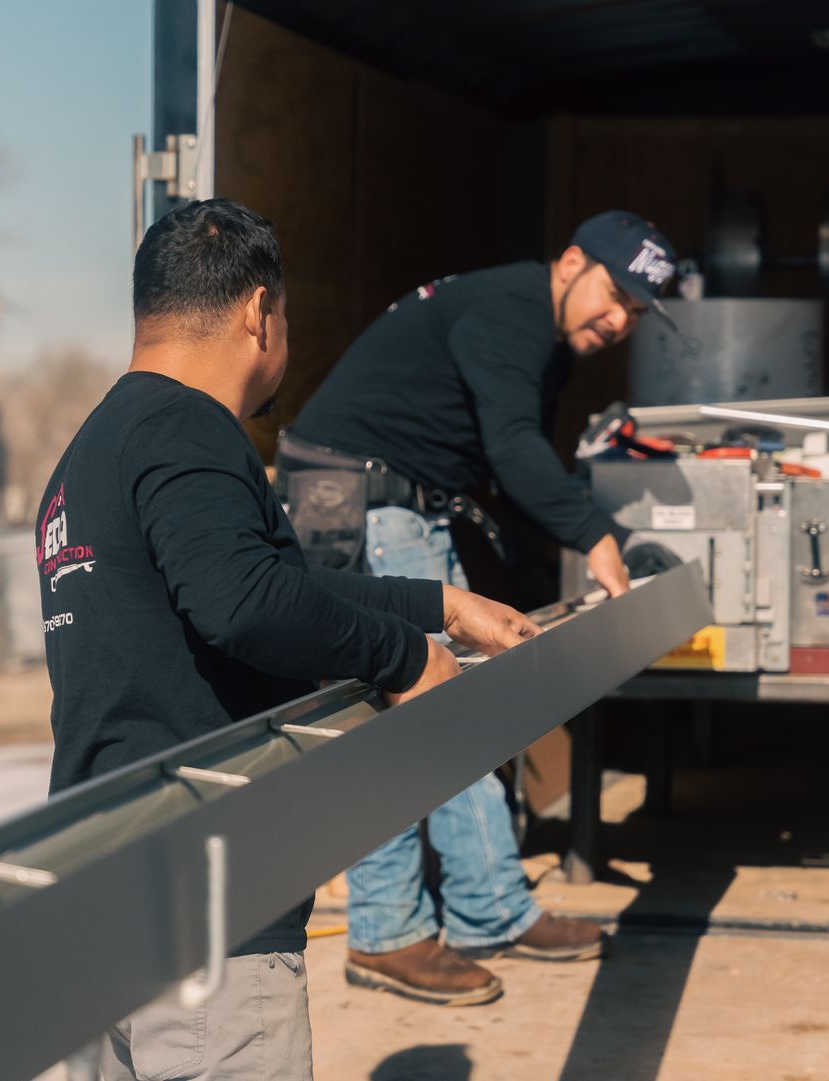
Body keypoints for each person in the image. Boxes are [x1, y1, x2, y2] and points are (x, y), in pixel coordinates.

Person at [38, 198, 540, 1080]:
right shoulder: (188, 429)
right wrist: (405, 657)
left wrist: (440, 605)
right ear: (256, 311)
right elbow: (246, 602)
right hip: (209, 912)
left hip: (107, 893)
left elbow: (260, 587)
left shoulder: (94, 452)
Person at [279, 210, 677, 1006]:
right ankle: (389, 931)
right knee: (419, 715)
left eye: (634, 312)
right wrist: (596, 536)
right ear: (570, 263)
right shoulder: (511, 313)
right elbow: (515, 451)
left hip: (403, 500)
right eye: (613, 294)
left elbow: (505, 457)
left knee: (462, 706)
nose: (618, 320)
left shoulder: (542, 332)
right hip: (361, 498)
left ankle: (489, 907)